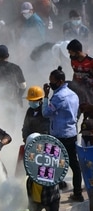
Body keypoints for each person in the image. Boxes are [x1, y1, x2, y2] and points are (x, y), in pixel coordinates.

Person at [43, 66, 83, 202]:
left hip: (59, 136)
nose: (50, 84)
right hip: (71, 133)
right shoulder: (73, 95)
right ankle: (78, 193)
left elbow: (46, 113)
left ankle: (53, 194)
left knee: (52, 163)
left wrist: (45, 97)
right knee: (74, 164)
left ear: (59, 81)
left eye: (52, 81)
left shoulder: (58, 97)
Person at [67, 39, 93, 106]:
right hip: (79, 89)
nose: (70, 55)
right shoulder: (73, 61)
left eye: (71, 53)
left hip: (89, 91)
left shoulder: (90, 62)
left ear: (78, 52)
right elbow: (75, 74)